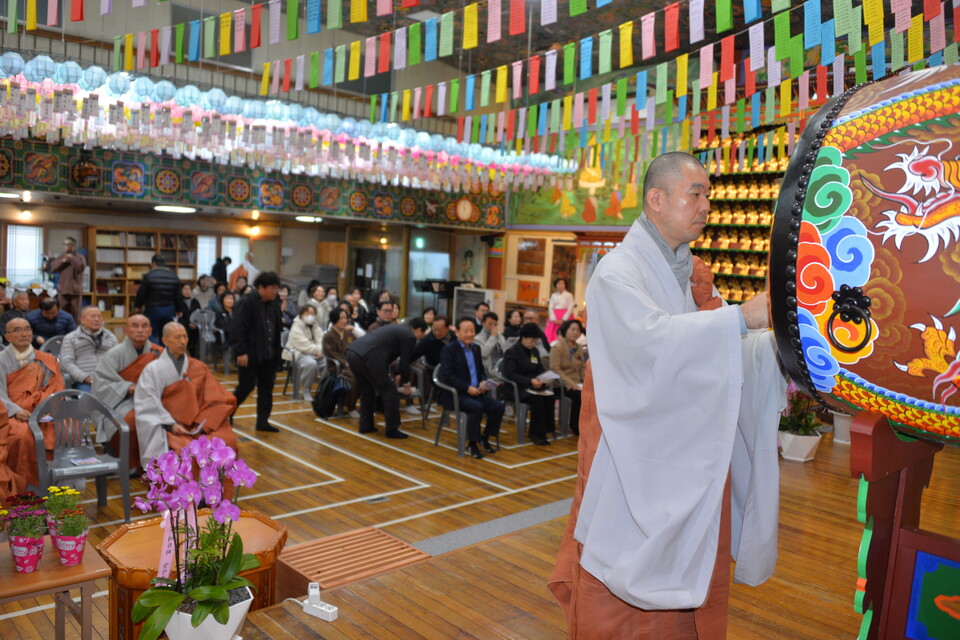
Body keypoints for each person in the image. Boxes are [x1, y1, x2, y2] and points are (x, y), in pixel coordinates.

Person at [548, 152, 785, 638]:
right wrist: (740, 319)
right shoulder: (619, 273)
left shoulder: (689, 271)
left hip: (680, 456)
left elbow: (710, 350)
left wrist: (770, 349)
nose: (706, 206)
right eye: (695, 193)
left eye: (709, 196)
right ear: (656, 199)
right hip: (630, 460)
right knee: (620, 602)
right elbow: (651, 345)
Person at [134, 322, 238, 467]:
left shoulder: (198, 366)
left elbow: (213, 396)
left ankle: (212, 487)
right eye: (177, 337)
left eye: (185, 337)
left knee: (226, 441)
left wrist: (203, 423)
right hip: (166, 422)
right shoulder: (153, 370)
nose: (183, 342)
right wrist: (170, 424)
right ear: (165, 341)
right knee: (183, 451)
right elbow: (147, 401)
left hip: (195, 422)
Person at [0, 318, 65, 490]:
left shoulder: (46, 359)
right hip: (10, 413)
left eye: (27, 329)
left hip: (42, 410)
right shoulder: (1, 360)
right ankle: (21, 489)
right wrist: (14, 411)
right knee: (20, 435)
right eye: (17, 330)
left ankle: (56, 487)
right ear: (7, 337)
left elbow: (56, 388)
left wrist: (42, 408)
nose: (24, 333)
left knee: (67, 427)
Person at [92, 314, 162, 462]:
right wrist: (128, 387)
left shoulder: (159, 353)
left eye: (144, 326)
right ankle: (128, 464)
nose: (140, 330)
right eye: (135, 326)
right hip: (123, 401)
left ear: (150, 331)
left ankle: (159, 463)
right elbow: (101, 384)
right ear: (126, 330)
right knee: (132, 421)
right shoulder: (113, 355)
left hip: (154, 400)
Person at [345, 319, 427, 438]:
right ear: (419, 330)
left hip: (353, 352)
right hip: (368, 357)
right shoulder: (409, 336)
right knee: (390, 391)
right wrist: (406, 384)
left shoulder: (395, 328)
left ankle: (365, 426)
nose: (420, 338)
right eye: (422, 335)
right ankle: (392, 429)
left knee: (367, 391)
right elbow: (405, 363)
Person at [437, 317, 505, 459]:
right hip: (455, 394)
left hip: (475, 392)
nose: (469, 334)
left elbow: (480, 371)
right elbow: (448, 376)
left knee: (498, 406)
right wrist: (467, 388)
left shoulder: (475, 348)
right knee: (476, 407)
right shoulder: (449, 350)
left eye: (472, 331)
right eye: (466, 331)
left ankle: (485, 437)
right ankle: (472, 443)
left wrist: (483, 382)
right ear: (457, 333)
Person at [229, 272, 283, 433]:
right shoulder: (246, 302)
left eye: (276, 288)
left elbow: (275, 329)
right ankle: (226, 413)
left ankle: (263, 421)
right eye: (272, 288)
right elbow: (237, 329)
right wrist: (241, 352)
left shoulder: (274, 303)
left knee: (267, 389)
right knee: (245, 386)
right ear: (261, 288)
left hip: (269, 354)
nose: (275, 292)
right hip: (250, 354)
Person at [502, 323, 556, 446]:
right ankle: (535, 433)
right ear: (523, 337)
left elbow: (539, 369)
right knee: (538, 400)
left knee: (550, 396)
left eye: (536, 340)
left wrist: (545, 378)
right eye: (532, 340)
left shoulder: (534, 352)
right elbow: (510, 375)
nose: (534, 343)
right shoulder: (512, 352)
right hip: (516, 388)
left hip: (532, 385)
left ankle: (546, 430)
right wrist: (529, 381)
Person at [60, 306, 118, 392]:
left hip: (108, 379)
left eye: (99, 317)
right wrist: (85, 378)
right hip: (83, 381)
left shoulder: (110, 337)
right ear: (82, 319)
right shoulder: (71, 338)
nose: (97, 319)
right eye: (93, 316)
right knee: (90, 400)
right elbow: (66, 363)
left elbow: (119, 358)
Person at [549, 319, 586, 436]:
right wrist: (571, 384)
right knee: (579, 396)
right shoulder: (557, 347)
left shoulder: (579, 347)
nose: (575, 332)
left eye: (578, 330)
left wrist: (586, 382)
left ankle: (583, 425)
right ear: (565, 331)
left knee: (589, 393)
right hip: (560, 384)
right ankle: (574, 427)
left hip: (577, 383)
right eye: (573, 329)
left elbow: (582, 367)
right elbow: (555, 369)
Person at [134, 254, 182, 343]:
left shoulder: (148, 276)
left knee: (150, 332)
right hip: (169, 309)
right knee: (165, 333)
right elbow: (178, 296)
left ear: (154, 264)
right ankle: (164, 353)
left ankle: (156, 352)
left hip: (153, 309)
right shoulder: (174, 277)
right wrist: (179, 309)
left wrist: (138, 306)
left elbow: (141, 293)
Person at [321, 307, 359, 418]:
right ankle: (351, 406)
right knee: (353, 377)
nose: (344, 321)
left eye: (346, 318)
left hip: (350, 363)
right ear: (334, 319)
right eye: (341, 318)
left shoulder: (348, 333)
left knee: (364, 374)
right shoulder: (328, 336)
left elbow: (356, 347)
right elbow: (332, 354)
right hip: (336, 367)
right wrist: (345, 362)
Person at [282, 306, 325, 402]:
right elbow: (301, 343)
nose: (310, 316)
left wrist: (319, 350)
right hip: (298, 353)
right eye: (307, 313)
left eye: (312, 313)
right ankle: (306, 389)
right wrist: (315, 351)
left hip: (316, 353)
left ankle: (324, 388)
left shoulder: (316, 326)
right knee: (311, 364)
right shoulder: (296, 326)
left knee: (328, 363)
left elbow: (321, 340)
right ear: (301, 315)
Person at [48, 236, 87, 321]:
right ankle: (62, 332)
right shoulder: (61, 256)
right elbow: (53, 268)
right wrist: (63, 261)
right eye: (64, 244)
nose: (65, 246)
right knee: (62, 312)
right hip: (63, 290)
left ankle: (76, 332)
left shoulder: (80, 257)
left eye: (67, 244)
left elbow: (80, 267)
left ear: (73, 246)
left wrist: (71, 258)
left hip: (75, 290)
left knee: (76, 313)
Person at [474, 311, 506, 376]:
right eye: (490, 324)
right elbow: (484, 354)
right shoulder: (477, 339)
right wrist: (493, 337)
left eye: (495, 324)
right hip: (488, 372)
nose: (493, 326)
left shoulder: (500, 336)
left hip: (502, 369)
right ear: (483, 323)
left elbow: (506, 351)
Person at [546, 278, 576, 343]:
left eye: (562, 283)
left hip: (566, 316)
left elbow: (570, 307)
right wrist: (554, 319)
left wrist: (564, 319)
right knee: (552, 334)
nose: (560, 285)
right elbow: (550, 307)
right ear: (555, 285)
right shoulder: (553, 295)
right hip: (555, 317)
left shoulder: (569, 295)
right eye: (558, 284)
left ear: (565, 285)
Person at [176, 282, 201, 357]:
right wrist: (188, 324)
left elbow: (199, 314)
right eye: (185, 289)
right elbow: (178, 317)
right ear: (181, 291)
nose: (187, 291)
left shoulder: (195, 302)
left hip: (195, 325)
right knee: (186, 331)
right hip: (183, 325)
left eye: (189, 289)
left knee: (197, 331)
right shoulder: (178, 302)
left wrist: (195, 324)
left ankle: (196, 353)